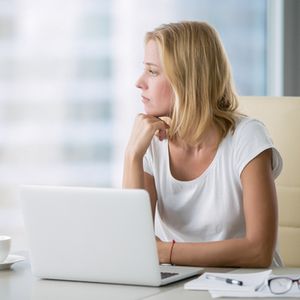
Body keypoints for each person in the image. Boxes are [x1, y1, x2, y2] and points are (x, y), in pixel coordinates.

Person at [123, 21, 283, 268]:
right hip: (180, 287)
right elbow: (133, 248)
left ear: (187, 80)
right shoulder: (150, 142)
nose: (139, 82)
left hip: (247, 287)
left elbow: (258, 251)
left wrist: (166, 252)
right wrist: (132, 155)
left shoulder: (247, 137)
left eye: (152, 72)